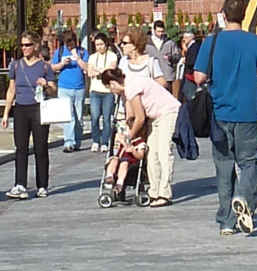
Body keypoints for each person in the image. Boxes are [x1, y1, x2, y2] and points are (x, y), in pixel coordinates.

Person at [192, 0, 257, 236]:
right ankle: (243, 198)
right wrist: (254, 77)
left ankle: (226, 222)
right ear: (244, 15)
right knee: (251, 163)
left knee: (224, 166)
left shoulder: (212, 42)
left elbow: (198, 77)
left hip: (220, 114)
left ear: (223, 14)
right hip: (249, 114)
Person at [103, 61, 182, 206]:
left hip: (167, 113)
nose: (110, 91)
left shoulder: (132, 86)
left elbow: (139, 118)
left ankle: (164, 193)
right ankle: (154, 191)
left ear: (113, 83)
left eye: (109, 87)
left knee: (164, 152)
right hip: (154, 116)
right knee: (151, 154)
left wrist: (129, 137)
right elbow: (131, 116)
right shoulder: (127, 89)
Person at [0, 34, 54, 198]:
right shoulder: (15, 66)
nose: (24, 48)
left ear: (36, 46)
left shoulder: (45, 67)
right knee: (20, 148)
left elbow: (53, 89)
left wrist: (46, 85)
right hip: (21, 109)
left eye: (27, 45)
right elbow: (11, 90)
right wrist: (6, 113)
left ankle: (42, 185)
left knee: (41, 147)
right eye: (22, 45)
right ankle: (20, 184)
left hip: (38, 108)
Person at [52, 30, 89, 152]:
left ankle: (77, 141)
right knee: (69, 116)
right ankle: (69, 142)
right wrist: (62, 63)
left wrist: (77, 58)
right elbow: (53, 67)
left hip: (79, 88)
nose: (69, 46)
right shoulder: (60, 52)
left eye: (71, 43)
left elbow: (87, 68)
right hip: (64, 87)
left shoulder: (82, 51)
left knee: (78, 117)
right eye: (67, 43)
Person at [86, 34, 117, 153]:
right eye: (97, 45)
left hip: (107, 91)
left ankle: (104, 141)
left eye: (101, 44)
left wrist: (99, 71)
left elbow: (110, 71)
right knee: (94, 117)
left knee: (106, 118)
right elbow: (90, 72)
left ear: (106, 44)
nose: (99, 47)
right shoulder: (92, 57)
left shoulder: (112, 56)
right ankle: (95, 140)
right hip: (95, 91)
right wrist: (99, 71)